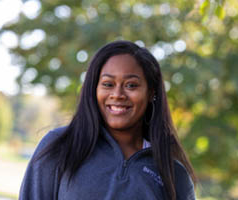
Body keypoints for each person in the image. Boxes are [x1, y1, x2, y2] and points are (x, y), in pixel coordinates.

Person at [19, 40, 197, 200]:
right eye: (108, 84)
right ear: (94, 89)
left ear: (151, 92)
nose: (118, 94)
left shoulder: (174, 175)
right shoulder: (60, 146)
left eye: (131, 85)